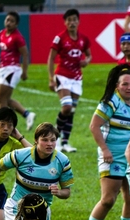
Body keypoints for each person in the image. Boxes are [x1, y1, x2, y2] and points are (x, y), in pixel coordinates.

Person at [78, 66, 130, 220]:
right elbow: (94, 126)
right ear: (117, 86)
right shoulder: (110, 102)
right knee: (108, 199)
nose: (129, 88)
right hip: (112, 157)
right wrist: (105, 149)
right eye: (125, 84)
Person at [0, 122, 74, 220]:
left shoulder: (62, 161)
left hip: (41, 212)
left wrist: (59, 192)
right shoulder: (20, 155)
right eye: (45, 140)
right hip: (16, 207)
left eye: (53, 140)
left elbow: (67, 192)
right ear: (36, 140)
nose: (49, 144)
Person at [47, 9, 92, 153]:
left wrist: (86, 61)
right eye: (69, 20)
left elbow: (89, 55)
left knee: (71, 111)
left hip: (77, 78)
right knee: (66, 107)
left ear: (78, 21)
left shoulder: (83, 39)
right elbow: (51, 58)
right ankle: (55, 136)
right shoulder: (60, 38)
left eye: (74, 20)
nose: (72, 22)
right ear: (65, 23)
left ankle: (65, 143)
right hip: (62, 76)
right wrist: (51, 78)